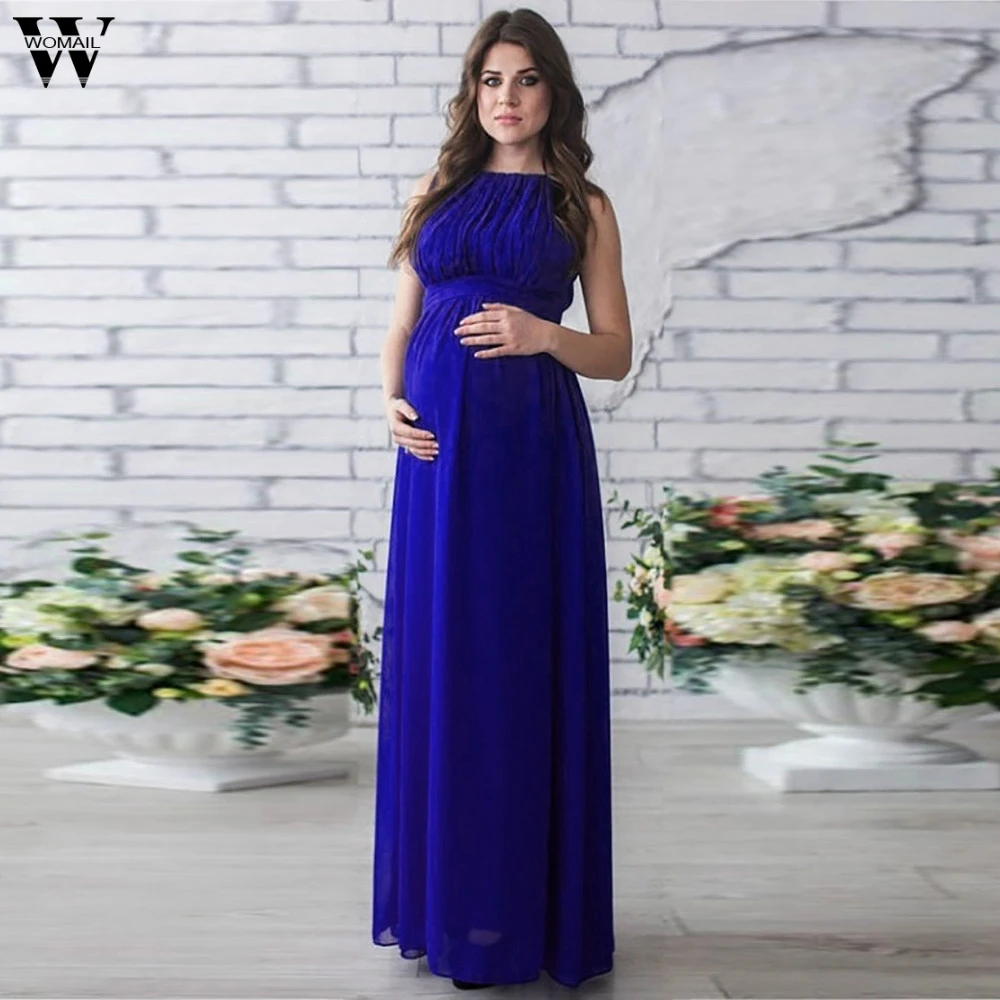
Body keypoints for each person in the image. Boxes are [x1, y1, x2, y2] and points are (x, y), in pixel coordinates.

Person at [371, 6, 632, 991]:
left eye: (525, 80)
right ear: (471, 92)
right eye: (491, 80)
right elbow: (404, 322)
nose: (507, 98)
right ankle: (450, 906)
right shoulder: (437, 190)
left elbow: (614, 350)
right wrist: (391, 400)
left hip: (527, 457)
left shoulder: (582, 206)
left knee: (510, 664)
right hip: (435, 458)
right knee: (444, 661)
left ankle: (520, 913)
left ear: (553, 92)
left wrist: (542, 335)